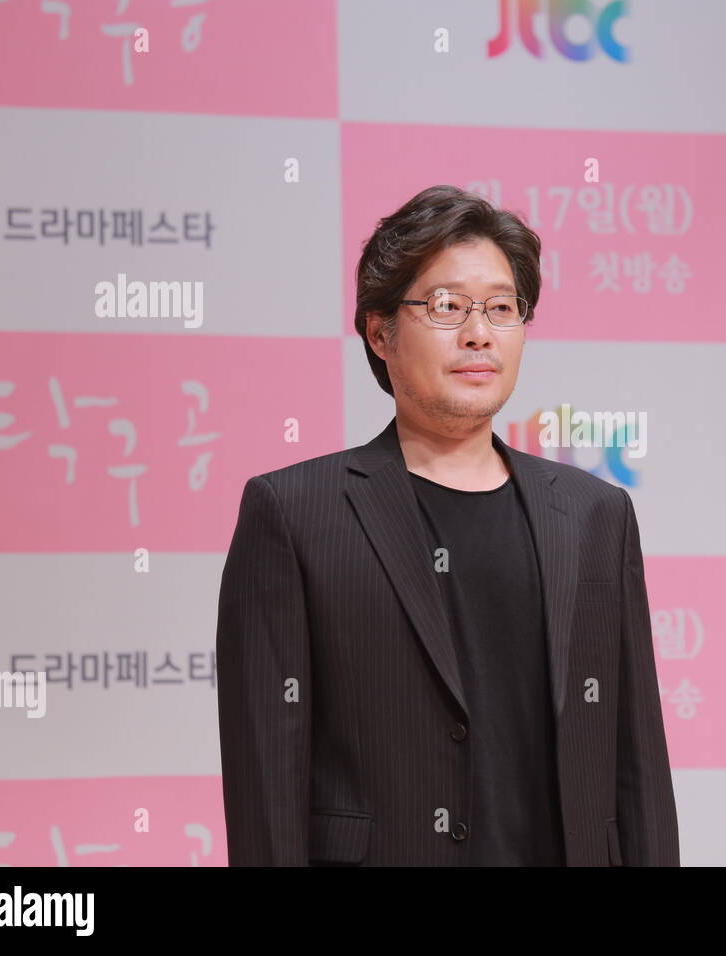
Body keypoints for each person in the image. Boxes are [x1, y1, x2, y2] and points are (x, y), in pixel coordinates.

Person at [216, 184, 679, 866]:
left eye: (501, 307)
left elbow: (636, 765)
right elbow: (267, 788)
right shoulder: (293, 514)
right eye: (446, 306)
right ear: (380, 331)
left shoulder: (593, 515)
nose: (478, 333)